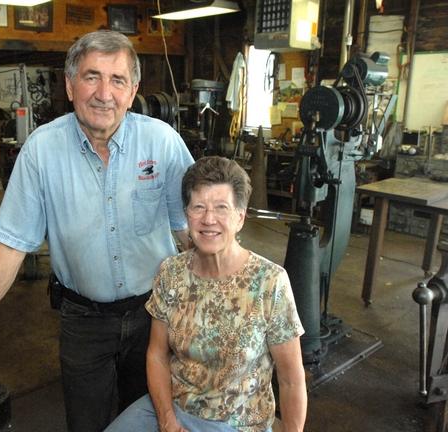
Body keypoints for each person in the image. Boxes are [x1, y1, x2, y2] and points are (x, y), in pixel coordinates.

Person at [0, 30, 194, 432]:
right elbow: (11, 244)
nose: (104, 93)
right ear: (69, 85)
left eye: (118, 80)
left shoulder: (163, 142)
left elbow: (193, 230)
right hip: (82, 322)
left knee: (153, 419)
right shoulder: (41, 151)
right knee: (88, 424)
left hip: (155, 316)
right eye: (91, 77)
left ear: (133, 89)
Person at [105, 156, 307, 432]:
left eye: (221, 208)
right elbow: (157, 354)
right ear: (187, 214)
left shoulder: (269, 282)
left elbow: (291, 379)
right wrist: (168, 422)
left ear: (240, 217)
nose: (208, 219)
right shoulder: (172, 272)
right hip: (171, 407)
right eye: (198, 207)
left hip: (236, 422)